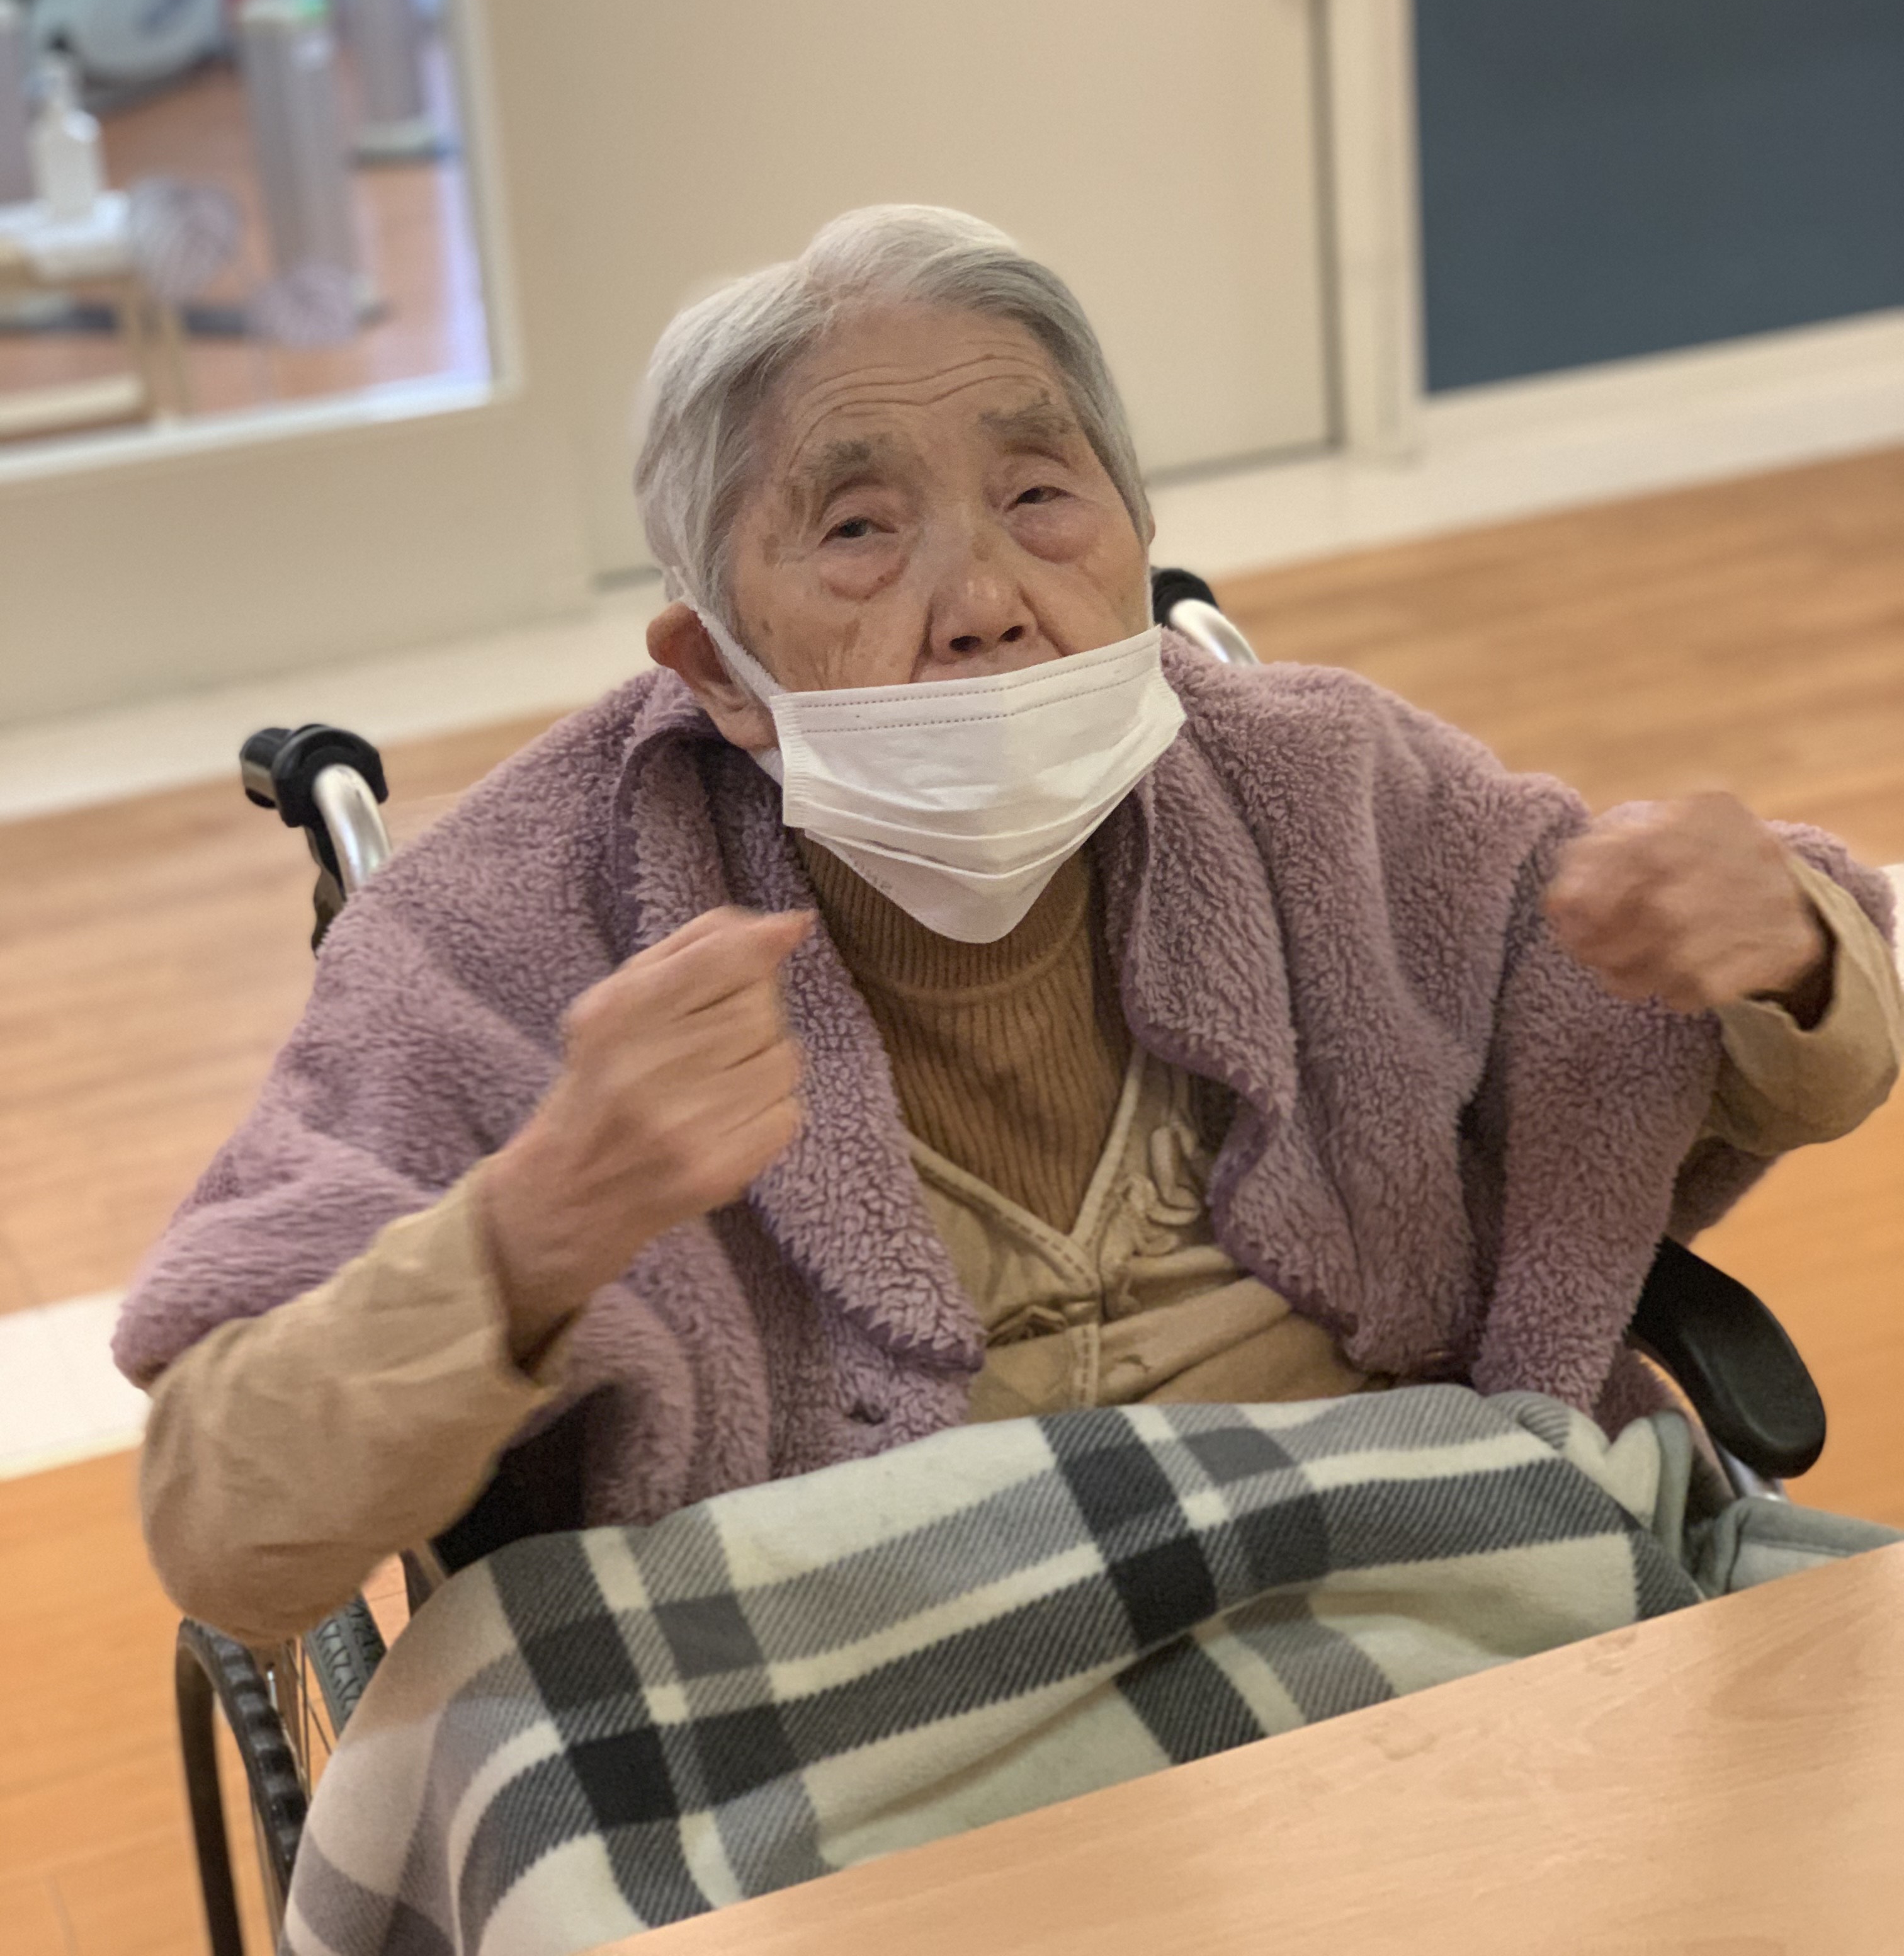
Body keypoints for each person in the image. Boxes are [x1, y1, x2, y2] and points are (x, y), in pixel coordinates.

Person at [116, 206, 1901, 1649]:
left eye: (1042, 497)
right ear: (713, 667)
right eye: (858, 528)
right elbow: (220, 1523)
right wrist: (535, 1223)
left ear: (1137, 541)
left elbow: (1721, 1053)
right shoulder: (510, 938)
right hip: (862, 1688)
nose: (984, 600)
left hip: (1403, 1588)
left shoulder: (1329, 789)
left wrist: (1789, 948)